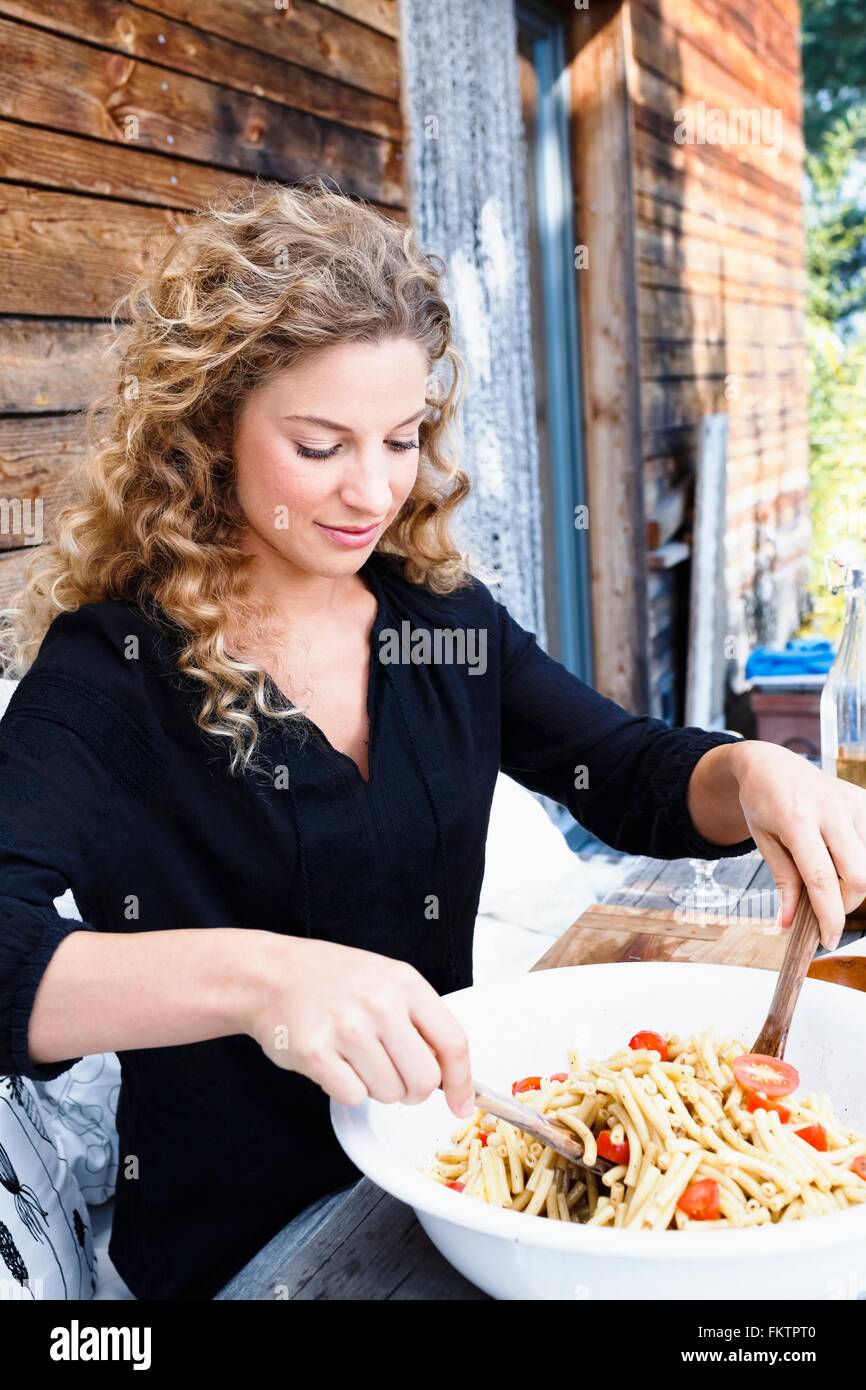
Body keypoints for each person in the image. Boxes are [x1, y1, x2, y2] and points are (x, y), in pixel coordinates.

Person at [1, 178, 864, 1302]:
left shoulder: (437, 625)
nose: (372, 490)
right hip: (245, 1246)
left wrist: (750, 772)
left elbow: (630, 774)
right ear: (208, 430)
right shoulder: (109, 671)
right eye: (319, 446)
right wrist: (260, 980)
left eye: (401, 439)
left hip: (463, 1172)